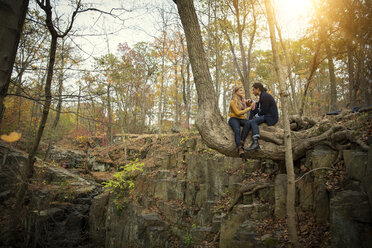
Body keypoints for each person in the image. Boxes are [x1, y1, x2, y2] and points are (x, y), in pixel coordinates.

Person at [246, 82, 278, 151]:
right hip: (267, 114)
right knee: (253, 109)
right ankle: (248, 124)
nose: (252, 91)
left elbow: (264, 111)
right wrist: (252, 102)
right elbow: (260, 105)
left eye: (253, 90)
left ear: (258, 89)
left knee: (253, 121)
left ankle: (255, 143)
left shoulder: (264, 96)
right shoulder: (263, 95)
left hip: (271, 117)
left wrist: (255, 117)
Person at [228, 86, 252, 157]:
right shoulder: (232, 102)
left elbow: (247, 105)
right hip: (233, 119)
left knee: (248, 123)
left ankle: (241, 141)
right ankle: (239, 148)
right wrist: (249, 109)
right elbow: (238, 113)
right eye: (240, 90)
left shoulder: (242, 101)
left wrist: (249, 102)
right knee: (237, 129)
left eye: (242, 90)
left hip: (241, 119)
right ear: (236, 92)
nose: (242, 92)